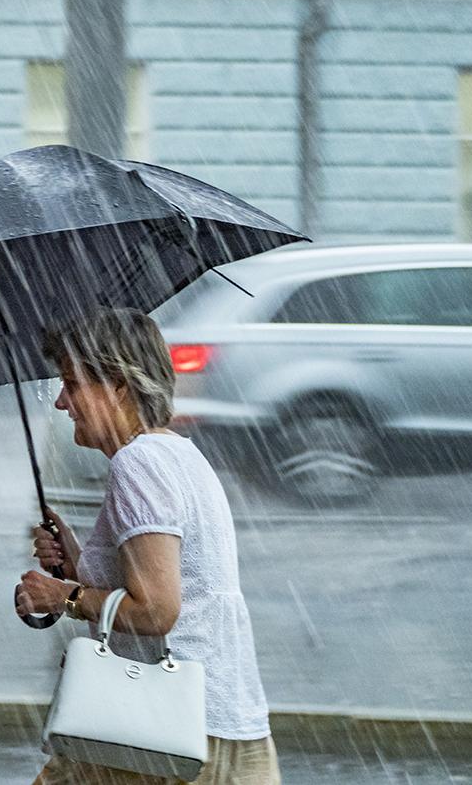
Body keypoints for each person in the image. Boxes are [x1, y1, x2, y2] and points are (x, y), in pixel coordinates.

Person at [16, 307, 280, 785]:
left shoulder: (137, 464)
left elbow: (156, 611)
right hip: (214, 721)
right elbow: (179, 584)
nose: (61, 402)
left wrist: (62, 596)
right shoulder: (177, 453)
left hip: (158, 732)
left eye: (72, 384)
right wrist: (77, 562)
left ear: (118, 386)